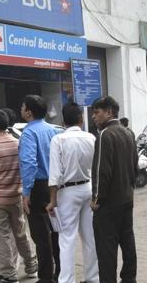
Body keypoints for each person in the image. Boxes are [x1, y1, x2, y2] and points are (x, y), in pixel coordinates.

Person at [0, 110, 38, 283]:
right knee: (20, 234)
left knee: (3, 239)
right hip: (16, 197)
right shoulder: (18, 144)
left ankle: (10, 276)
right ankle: (32, 266)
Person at [46, 103, 99, 283]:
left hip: (67, 192)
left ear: (63, 121)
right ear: (81, 119)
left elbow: (54, 174)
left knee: (67, 238)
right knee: (89, 236)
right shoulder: (91, 137)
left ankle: (67, 280)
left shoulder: (58, 140)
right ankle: (93, 277)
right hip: (88, 188)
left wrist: (52, 201)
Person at [90, 96, 138, 283]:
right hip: (127, 199)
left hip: (108, 203)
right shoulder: (128, 133)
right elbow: (135, 167)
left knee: (106, 250)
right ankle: (129, 279)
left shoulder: (105, 135)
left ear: (109, 112)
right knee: (128, 242)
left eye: (97, 112)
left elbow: (102, 171)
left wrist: (96, 198)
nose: (94, 116)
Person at [19, 95, 61, 283]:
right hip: (54, 185)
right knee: (56, 232)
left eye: (23, 106)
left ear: (28, 111)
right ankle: (60, 273)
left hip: (37, 187)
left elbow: (28, 163)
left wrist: (26, 192)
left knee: (41, 236)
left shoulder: (29, 133)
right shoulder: (53, 130)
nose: (21, 109)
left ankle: (45, 278)